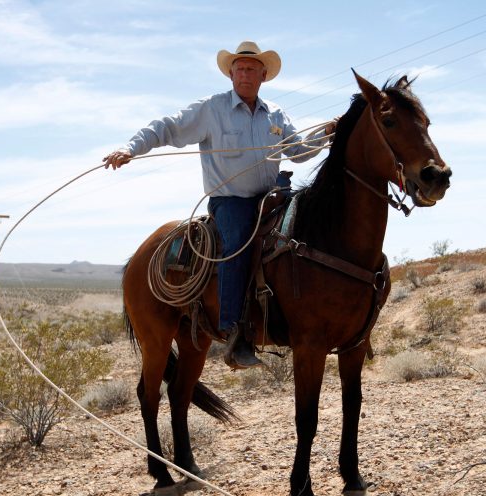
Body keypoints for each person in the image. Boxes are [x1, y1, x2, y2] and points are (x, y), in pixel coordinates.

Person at [104, 41, 335, 369]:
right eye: (239, 68)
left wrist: (327, 133)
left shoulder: (275, 115)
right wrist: (131, 148)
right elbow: (169, 126)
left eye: (252, 69)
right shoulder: (212, 109)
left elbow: (298, 150)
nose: (245, 74)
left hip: (271, 198)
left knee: (302, 237)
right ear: (230, 73)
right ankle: (234, 330)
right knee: (238, 241)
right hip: (231, 201)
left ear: (263, 75)